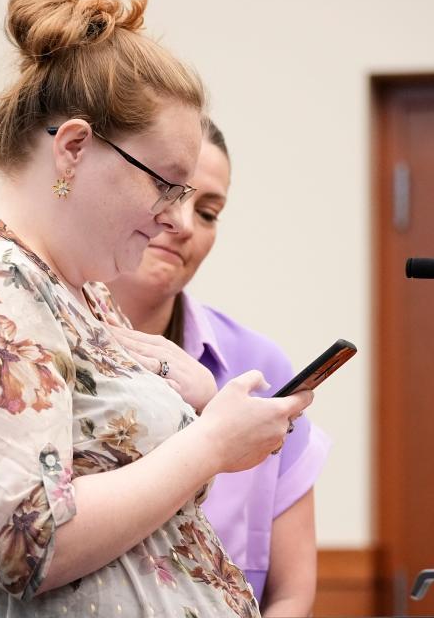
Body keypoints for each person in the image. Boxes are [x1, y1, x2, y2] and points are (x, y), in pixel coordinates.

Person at [0, 0, 313, 616]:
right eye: (167, 184)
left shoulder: (79, 296)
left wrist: (192, 394)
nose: (175, 218)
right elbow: (28, 545)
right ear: (74, 148)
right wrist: (210, 443)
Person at [107, 122, 330, 617]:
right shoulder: (41, 346)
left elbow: (292, 594)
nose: (184, 223)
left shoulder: (259, 368)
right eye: (166, 191)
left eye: (208, 212)